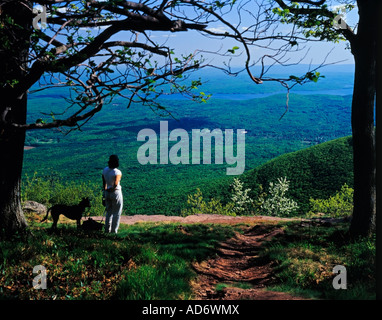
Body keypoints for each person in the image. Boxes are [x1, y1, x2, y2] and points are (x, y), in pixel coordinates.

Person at [102, 154, 123, 233]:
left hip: (107, 192)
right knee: (117, 213)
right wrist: (112, 189)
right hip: (115, 192)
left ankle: (107, 230)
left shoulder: (105, 170)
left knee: (109, 212)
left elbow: (104, 183)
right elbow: (116, 183)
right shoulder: (117, 172)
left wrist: (105, 191)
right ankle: (114, 231)